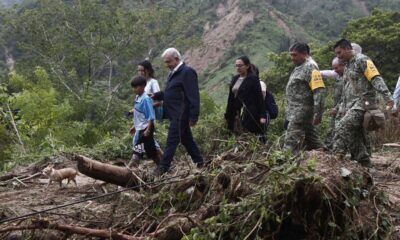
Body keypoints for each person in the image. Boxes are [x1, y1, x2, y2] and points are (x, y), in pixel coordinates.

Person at [332, 39, 393, 167]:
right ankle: (365, 165)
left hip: (363, 103)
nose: (338, 56)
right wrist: (339, 107)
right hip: (351, 105)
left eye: (339, 52)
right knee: (354, 138)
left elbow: (375, 78)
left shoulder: (362, 60)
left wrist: (388, 97)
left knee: (342, 127)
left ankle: (336, 160)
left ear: (348, 49)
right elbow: (346, 90)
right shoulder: (348, 65)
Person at [152, 48, 203, 175]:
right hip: (174, 113)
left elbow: (193, 95)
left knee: (171, 141)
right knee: (186, 139)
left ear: (176, 59)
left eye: (168, 62)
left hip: (181, 114)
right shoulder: (173, 73)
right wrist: (156, 95)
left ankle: (162, 168)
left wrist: (193, 116)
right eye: (165, 62)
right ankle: (200, 162)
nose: (167, 65)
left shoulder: (187, 72)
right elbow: (171, 93)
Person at [284, 42, 326, 151]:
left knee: (291, 142)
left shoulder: (310, 67)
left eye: (295, 55)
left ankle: (284, 161)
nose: (292, 58)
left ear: (305, 54)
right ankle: (328, 158)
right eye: (291, 55)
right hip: (295, 111)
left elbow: (319, 91)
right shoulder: (299, 67)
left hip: (301, 112)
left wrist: (318, 114)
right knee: (312, 140)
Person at [224, 56, 266, 139]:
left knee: (248, 135)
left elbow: (259, 98)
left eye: (240, 65)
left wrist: (262, 115)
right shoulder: (235, 78)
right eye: (236, 66)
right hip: (235, 111)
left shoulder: (253, 78)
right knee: (234, 134)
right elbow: (231, 98)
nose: (238, 68)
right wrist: (228, 114)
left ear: (247, 66)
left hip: (249, 111)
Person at [128, 76, 160, 167]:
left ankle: (130, 169)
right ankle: (162, 166)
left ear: (142, 87)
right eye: (133, 87)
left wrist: (148, 130)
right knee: (151, 151)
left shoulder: (146, 99)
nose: (134, 89)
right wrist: (135, 127)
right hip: (141, 127)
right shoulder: (138, 97)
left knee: (137, 150)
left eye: (135, 87)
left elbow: (151, 116)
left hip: (146, 128)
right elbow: (139, 116)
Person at [320, 57, 345, 148]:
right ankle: (329, 147)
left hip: (345, 108)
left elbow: (346, 96)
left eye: (336, 68)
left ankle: (338, 149)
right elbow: (328, 73)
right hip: (337, 107)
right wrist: (315, 72)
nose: (335, 70)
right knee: (333, 127)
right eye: (334, 68)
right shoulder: (339, 75)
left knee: (340, 128)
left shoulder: (349, 76)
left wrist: (337, 108)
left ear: (343, 65)